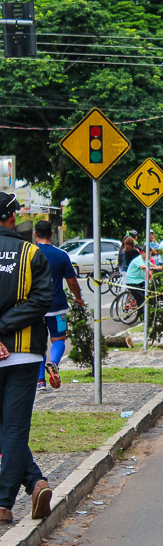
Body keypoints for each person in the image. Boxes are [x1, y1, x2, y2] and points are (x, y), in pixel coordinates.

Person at [0, 193, 55, 522]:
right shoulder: (32, 252)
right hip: (24, 352)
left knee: (7, 429)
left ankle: (7, 500)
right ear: (12, 217)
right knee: (15, 428)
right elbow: (42, 300)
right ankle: (31, 484)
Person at [34, 220, 84, 391]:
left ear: (35, 234)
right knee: (58, 339)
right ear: (52, 234)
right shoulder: (61, 255)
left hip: (34, 308)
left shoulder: (30, 253)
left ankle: (40, 381)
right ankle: (54, 363)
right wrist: (78, 298)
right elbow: (72, 281)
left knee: (39, 343)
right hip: (57, 306)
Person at [124, 242, 148, 311]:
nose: (149, 256)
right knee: (140, 297)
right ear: (143, 252)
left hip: (139, 280)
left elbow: (153, 266)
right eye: (148, 254)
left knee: (148, 292)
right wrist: (148, 268)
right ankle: (142, 315)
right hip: (132, 281)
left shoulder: (145, 260)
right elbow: (142, 267)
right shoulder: (139, 259)